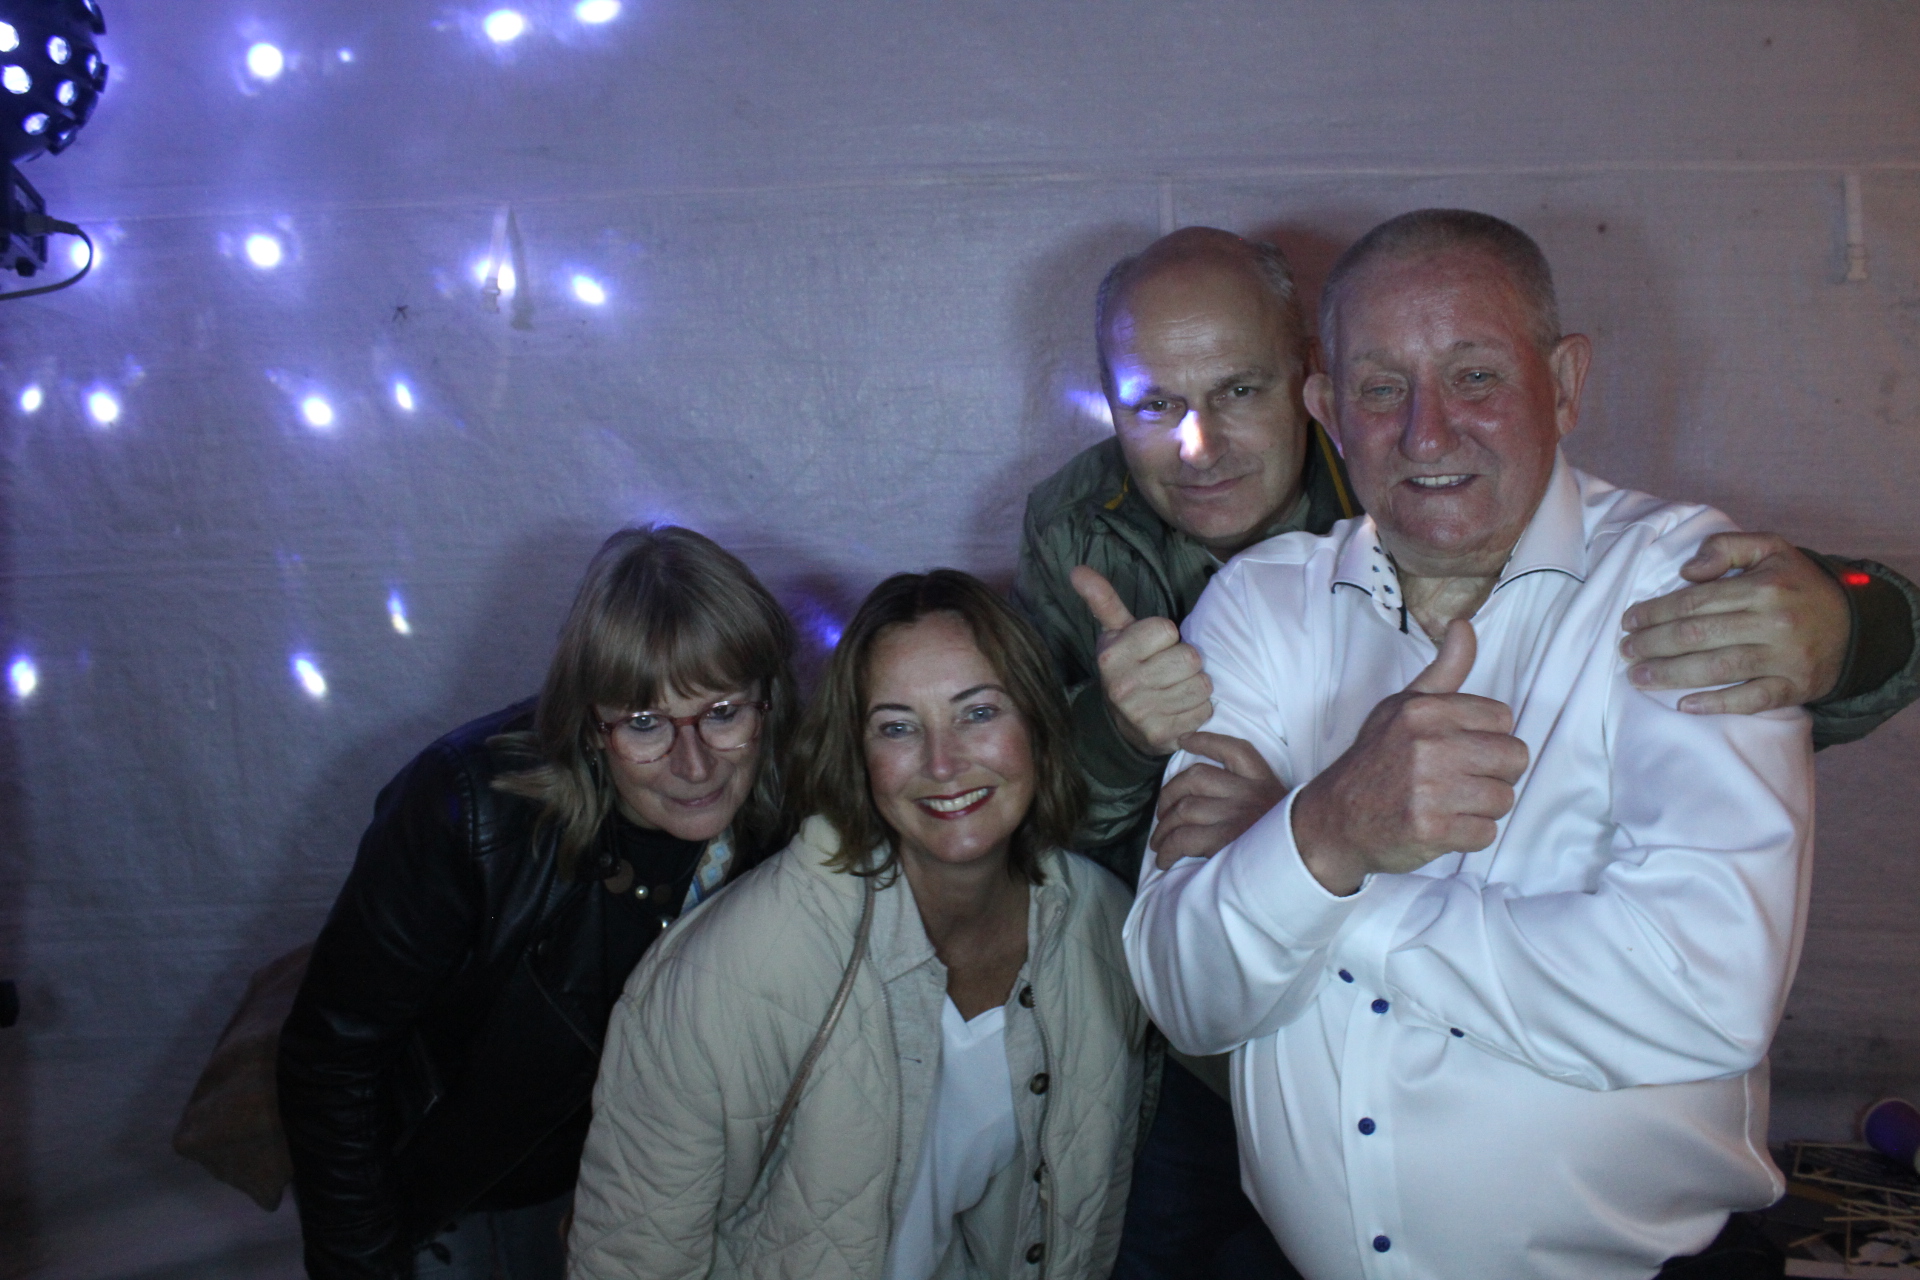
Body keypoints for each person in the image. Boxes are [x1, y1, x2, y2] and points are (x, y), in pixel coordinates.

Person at [1012, 223, 1919, 1278]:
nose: (1428, 431)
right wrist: (1283, 812)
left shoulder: (1686, 587)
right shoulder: (1240, 592)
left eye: (1475, 374)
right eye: (1382, 387)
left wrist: (1307, 842)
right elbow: (1181, 984)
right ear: (1334, 405)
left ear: (1565, 384)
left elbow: (1702, 988)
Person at [567, 570, 1145, 1280]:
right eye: (897, 727)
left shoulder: (1106, 930)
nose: (943, 763)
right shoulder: (722, 978)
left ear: (1038, 722)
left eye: (978, 712)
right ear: (857, 754)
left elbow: (1084, 1222)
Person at [278, 525, 799, 1280]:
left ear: (767, 703)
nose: (694, 765)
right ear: (590, 724)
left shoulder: (792, 812)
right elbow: (330, 1063)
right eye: (645, 723)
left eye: (722, 711)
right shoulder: (466, 810)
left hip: (664, 1189)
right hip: (473, 1194)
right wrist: (363, 1265)